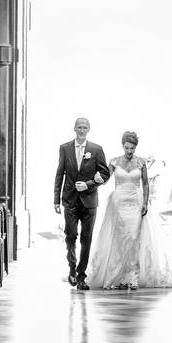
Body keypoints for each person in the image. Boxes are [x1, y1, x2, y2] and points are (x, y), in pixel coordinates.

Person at [87, 132, 172, 290]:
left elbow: (145, 184)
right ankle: (116, 276)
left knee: (133, 237)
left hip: (136, 203)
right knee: (119, 239)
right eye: (126, 147)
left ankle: (132, 276)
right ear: (122, 146)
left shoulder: (141, 162)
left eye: (132, 148)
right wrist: (95, 179)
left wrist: (145, 202)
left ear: (136, 147)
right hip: (118, 204)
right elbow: (105, 179)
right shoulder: (114, 161)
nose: (129, 151)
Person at [53, 117, 111, 290]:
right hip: (70, 199)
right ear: (74, 128)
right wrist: (56, 199)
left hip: (89, 201)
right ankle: (72, 267)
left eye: (85, 127)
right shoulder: (64, 148)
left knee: (86, 238)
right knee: (70, 235)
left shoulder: (96, 149)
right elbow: (59, 174)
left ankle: (81, 276)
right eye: (79, 127)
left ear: (89, 129)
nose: (82, 130)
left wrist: (89, 184)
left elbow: (105, 174)